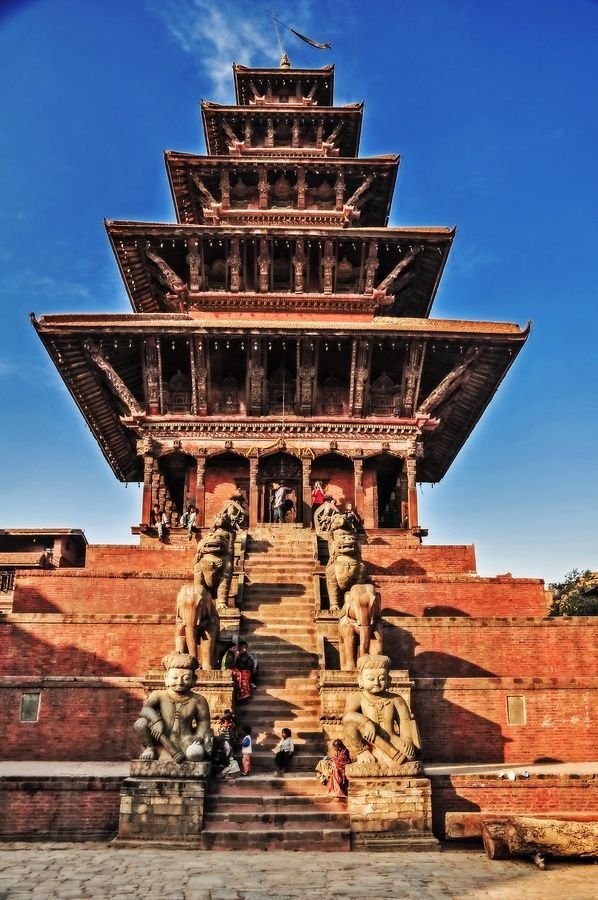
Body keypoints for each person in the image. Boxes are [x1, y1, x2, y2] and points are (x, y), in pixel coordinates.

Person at [133, 652, 213, 762]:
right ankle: (150, 748)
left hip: (186, 739)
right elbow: (145, 710)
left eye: (185, 678)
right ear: (166, 678)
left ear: (194, 679)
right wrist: (156, 721)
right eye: (174, 677)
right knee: (141, 723)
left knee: (195, 754)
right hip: (161, 739)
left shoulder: (198, 700)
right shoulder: (159, 695)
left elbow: (203, 721)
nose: (179, 682)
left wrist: (199, 736)